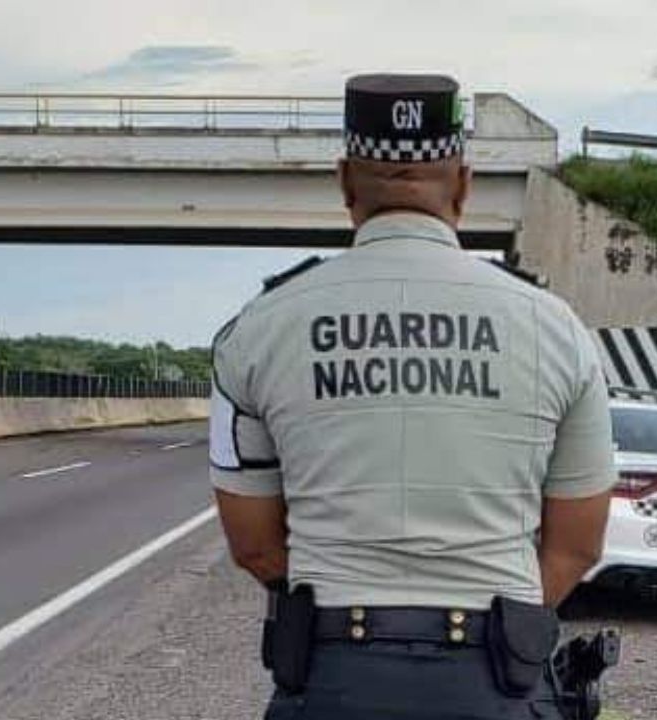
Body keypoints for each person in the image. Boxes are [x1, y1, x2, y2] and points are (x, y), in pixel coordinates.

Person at [208, 74, 616, 720]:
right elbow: (577, 545)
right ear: (463, 184)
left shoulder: (256, 331)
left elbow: (254, 544)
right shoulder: (555, 329)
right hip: (497, 678)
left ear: (344, 181)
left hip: (331, 675)